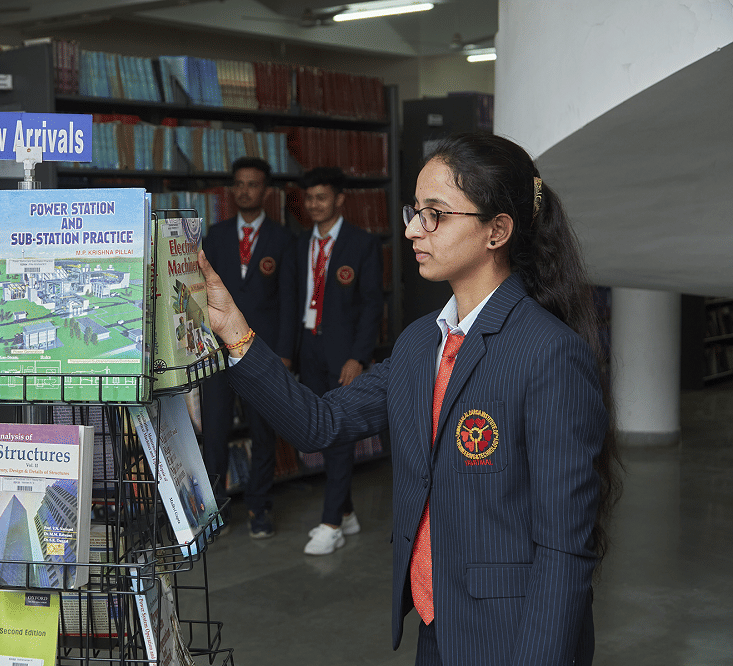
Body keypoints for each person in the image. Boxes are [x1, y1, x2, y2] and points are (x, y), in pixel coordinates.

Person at [199, 133, 622, 665]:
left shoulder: (548, 353)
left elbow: (564, 551)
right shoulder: (422, 342)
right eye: (414, 211)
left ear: (497, 231)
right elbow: (319, 422)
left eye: (434, 215)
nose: (411, 230)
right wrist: (235, 333)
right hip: (436, 624)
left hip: (514, 636)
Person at [201, 156, 296, 539]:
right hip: (216, 351)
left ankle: (260, 507)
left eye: (252, 184)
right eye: (238, 184)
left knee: (263, 432)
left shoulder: (283, 239)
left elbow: (289, 299)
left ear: (266, 191)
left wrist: (285, 352)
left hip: (263, 351)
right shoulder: (216, 234)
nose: (244, 191)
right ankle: (216, 512)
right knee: (215, 432)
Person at [294, 167, 383, 556]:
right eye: (309, 198)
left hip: (344, 351)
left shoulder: (362, 244)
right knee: (318, 431)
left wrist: (358, 357)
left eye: (322, 197)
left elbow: (372, 306)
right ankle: (346, 512)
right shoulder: (300, 244)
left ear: (339, 199)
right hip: (308, 346)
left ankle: (331, 523)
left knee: (339, 431)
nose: (314, 204)